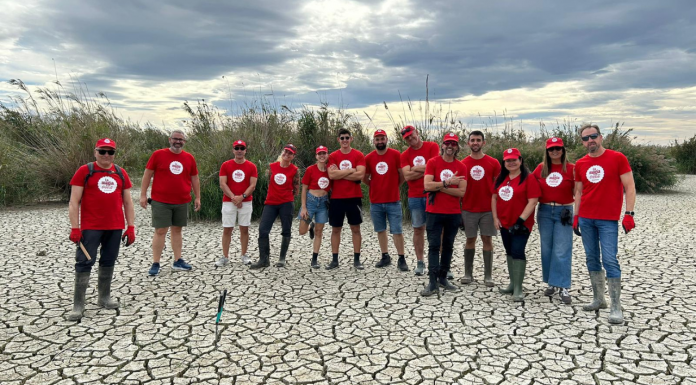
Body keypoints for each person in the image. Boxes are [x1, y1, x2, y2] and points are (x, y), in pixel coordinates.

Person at [67, 138, 136, 321]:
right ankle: (78, 304)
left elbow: (128, 202)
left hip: (115, 226)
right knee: (84, 262)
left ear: (114, 154)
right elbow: (74, 201)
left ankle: (104, 297)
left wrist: (131, 226)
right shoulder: (85, 171)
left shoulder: (120, 173)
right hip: (91, 227)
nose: (106, 155)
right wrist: (75, 227)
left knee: (108, 261)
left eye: (110, 152)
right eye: (102, 151)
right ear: (95, 152)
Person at [574, 124, 636, 324]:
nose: (590, 140)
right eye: (585, 138)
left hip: (608, 219)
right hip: (586, 217)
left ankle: (616, 306)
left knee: (610, 259)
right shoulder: (580, 164)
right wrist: (576, 216)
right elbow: (578, 192)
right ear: (582, 142)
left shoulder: (617, 158)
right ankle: (599, 299)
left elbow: (629, 186)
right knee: (592, 258)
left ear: (601, 137)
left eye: (593, 136)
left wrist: (629, 213)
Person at [140, 130, 200, 276]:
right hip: (161, 200)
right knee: (160, 231)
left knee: (177, 230)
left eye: (181, 139)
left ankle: (177, 260)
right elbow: (147, 174)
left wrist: (198, 197)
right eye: (175, 139)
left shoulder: (189, 158)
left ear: (184, 142)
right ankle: (156, 262)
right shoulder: (158, 155)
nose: (178, 142)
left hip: (181, 200)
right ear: (169, 139)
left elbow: (194, 178)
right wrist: (143, 194)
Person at [421, 133, 467, 296]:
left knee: (448, 246)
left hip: (453, 213)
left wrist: (439, 187)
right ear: (442, 145)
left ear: (457, 147)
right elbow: (427, 184)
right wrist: (448, 183)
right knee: (434, 246)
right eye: (447, 143)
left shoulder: (461, 166)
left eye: (453, 144)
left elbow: (461, 192)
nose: (450, 146)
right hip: (434, 212)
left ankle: (443, 277)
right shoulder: (433, 162)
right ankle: (432, 282)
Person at [493, 148, 541, 302]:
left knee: (518, 250)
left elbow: (533, 201)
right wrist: (495, 218)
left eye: (514, 159)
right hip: (504, 222)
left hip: (521, 224)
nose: (511, 162)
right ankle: (512, 283)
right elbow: (494, 198)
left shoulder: (529, 178)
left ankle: (519, 288)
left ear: (520, 160)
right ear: (504, 162)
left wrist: (520, 220)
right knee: (509, 251)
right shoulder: (501, 178)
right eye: (508, 160)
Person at [533, 137, 575, 304]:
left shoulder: (571, 168)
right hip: (544, 211)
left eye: (558, 148)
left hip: (563, 211)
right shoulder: (541, 168)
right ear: (547, 151)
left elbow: (578, 191)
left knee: (562, 249)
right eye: (551, 149)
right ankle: (551, 282)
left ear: (563, 150)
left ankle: (563, 286)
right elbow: (531, 189)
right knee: (547, 249)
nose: (555, 151)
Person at [460, 130, 501, 286]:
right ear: (468, 143)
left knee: (487, 239)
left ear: (484, 142)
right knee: (470, 239)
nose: (475, 143)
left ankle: (488, 275)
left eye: (478, 140)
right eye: (472, 140)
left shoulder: (493, 163)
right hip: (468, 208)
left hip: (488, 209)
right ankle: (468, 273)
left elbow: (498, 186)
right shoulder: (463, 164)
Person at [250, 144, 300, 268]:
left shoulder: (295, 170)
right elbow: (269, 183)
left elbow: (296, 189)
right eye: (286, 152)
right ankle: (264, 259)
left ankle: (282, 258)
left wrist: (287, 196)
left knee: (286, 229)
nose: (287, 154)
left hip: (286, 203)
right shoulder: (272, 167)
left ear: (293, 156)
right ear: (282, 152)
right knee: (263, 229)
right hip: (271, 203)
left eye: (290, 153)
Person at [364, 129, 407, 271]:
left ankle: (401, 258)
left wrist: (395, 186)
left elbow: (402, 175)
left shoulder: (395, 155)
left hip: (393, 200)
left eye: (382, 139)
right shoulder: (369, 158)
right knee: (380, 230)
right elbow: (365, 177)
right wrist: (374, 185)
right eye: (377, 139)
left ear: (387, 139)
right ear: (374, 141)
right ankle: (385, 256)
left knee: (397, 230)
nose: (380, 142)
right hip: (375, 201)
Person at [400, 125, 440, 275]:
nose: (411, 139)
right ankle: (420, 262)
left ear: (417, 132)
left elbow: (436, 168)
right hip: (415, 196)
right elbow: (407, 176)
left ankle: (439, 263)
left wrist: (414, 168)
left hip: (432, 194)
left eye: (412, 135)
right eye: (407, 138)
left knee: (436, 229)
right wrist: (426, 168)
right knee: (418, 229)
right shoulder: (404, 155)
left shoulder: (432, 146)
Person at [327, 129, 366, 270]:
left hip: (354, 197)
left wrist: (340, 173)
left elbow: (360, 176)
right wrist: (351, 170)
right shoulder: (332, 156)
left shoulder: (358, 155)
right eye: (342, 138)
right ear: (338, 139)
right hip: (337, 198)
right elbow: (331, 175)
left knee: (355, 228)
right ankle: (334, 260)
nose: (344, 140)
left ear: (351, 139)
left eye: (347, 137)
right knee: (336, 229)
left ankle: (357, 260)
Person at [216, 140, 258, 267]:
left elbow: (253, 185)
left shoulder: (251, 166)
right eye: (237, 148)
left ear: (245, 150)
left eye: (242, 148)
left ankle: (244, 255)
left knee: (244, 228)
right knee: (227, 229)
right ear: (233, 150)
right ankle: (225, 256)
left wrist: (242, 197)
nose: (239, 150)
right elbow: (223, 184)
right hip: (229, 201)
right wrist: (234, 198)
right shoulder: (226, 165)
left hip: (246, 202)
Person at [298, 145, 331, 268]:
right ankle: (309, 226)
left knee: (319, 231)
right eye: (319, 154)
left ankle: (314, 259)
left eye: (324, 153)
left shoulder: (330, 170)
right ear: (316, 156)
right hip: (311, 202)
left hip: (323, 203)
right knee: (301, 231)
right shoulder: (311, 169)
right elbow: (304, 188)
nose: (322, 156)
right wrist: (304, 207)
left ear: (327, 155)